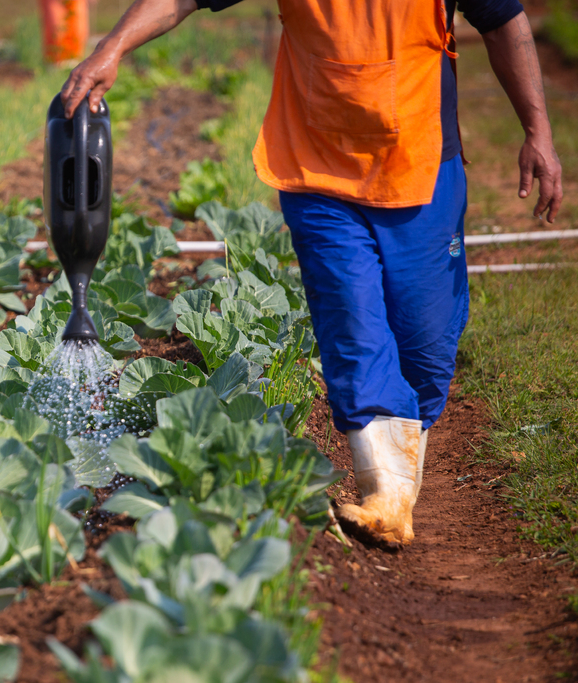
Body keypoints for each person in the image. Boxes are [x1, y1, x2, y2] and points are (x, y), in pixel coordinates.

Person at [60, 0, 564, 547]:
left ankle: (399, 469)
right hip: (317, 166)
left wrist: (537, 129)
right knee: (351, 318)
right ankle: (387, 495)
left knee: (426, 341)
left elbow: (502, 22)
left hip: (422, 163)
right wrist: (111, 47)